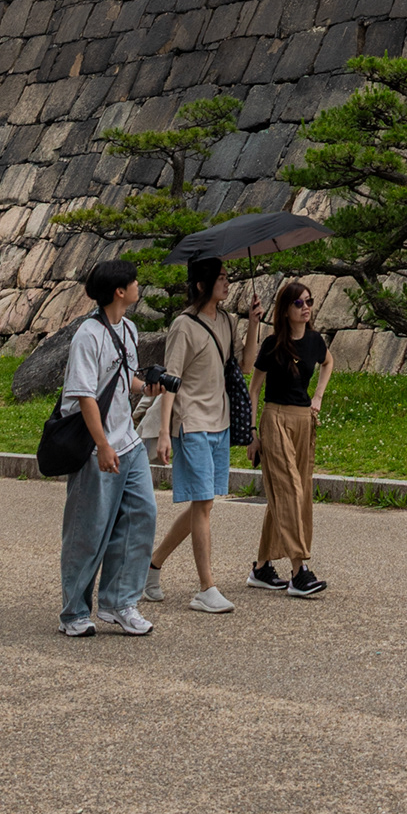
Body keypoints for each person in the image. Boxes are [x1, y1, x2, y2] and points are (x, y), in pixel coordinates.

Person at [148, 257, 260, 613]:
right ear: (201, 285)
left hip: (221, 421)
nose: (228, 284)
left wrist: (254, 325)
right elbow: (170, 382)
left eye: (228, 277)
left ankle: (151, 566)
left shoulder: (226, 320)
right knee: (204, 504)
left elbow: (244, 365)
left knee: (204, 502)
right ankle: (206, 587)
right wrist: (165, 433)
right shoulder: (183, 326)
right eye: (222, 278)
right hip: (192, 421)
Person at [58, 259, 163, 639]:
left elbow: (124, 381)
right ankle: (73, 611)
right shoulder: (88, 335)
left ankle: (120, 602)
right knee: (89, 528)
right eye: (134, 282)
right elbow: (84, 394)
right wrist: (102, 445)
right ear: (119, 291)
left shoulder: (129, 329)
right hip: (95, 445)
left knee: (141, 515)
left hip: (129, 440)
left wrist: (146, 387)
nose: (138, 286)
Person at [246, 280, 332, 599]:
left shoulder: (314, 341)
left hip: (303, 420)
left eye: (309, 301)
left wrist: (318, 396)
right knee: (290, 490)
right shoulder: (272, 345)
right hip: (275, 418)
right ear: (285, 309)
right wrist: (252, 433)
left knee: (293, 493)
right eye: (298, 303)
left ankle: (262, 567)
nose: (306, 307)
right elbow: (253, 389)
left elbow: (328, 362)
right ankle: (299, 571)